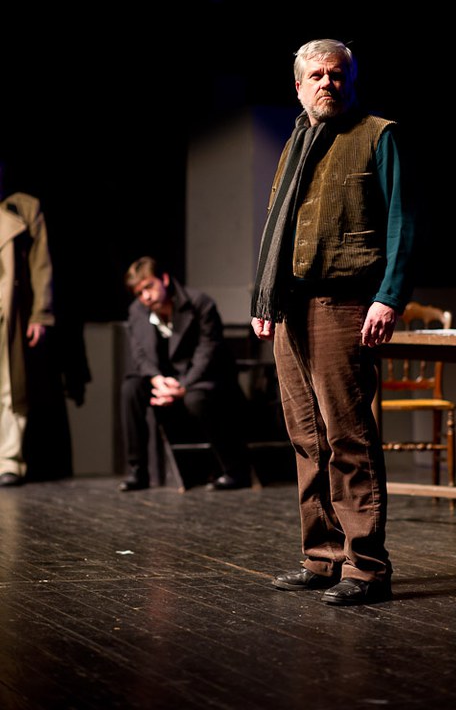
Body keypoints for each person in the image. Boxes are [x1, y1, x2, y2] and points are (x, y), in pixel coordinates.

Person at [250, 38, 415, 605]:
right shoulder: (294, 142)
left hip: (343, 303)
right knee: (306, 438)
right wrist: (263, 299)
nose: (327, 83)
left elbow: (402, 222)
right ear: (298, 86)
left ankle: (366, 566)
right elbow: (275, 225)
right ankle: (323, 557)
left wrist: (388, 297)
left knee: (348, 436)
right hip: (289, 306)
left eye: (336, 74)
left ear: (351, 79)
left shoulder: (378, 134)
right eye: (316, 75)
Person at [120, 256, 252, 491]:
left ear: (164, 279)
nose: (146, 296)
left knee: (196, 398)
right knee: (131, 389)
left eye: (149, 287)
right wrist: (157, 380)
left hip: (202, 378)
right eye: (139, 293)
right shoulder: (137, 311)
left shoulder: (200, 304)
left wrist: (182, 386)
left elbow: (207, 352)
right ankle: (138, 471)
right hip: (164, 380)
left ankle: (234, 470)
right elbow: (139, 354)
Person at [0, 186, 55, 486]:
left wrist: (40, 313)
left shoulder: (23, 207)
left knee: (10, 385)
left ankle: (8, 459)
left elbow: (40, 264)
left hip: (8, 307)